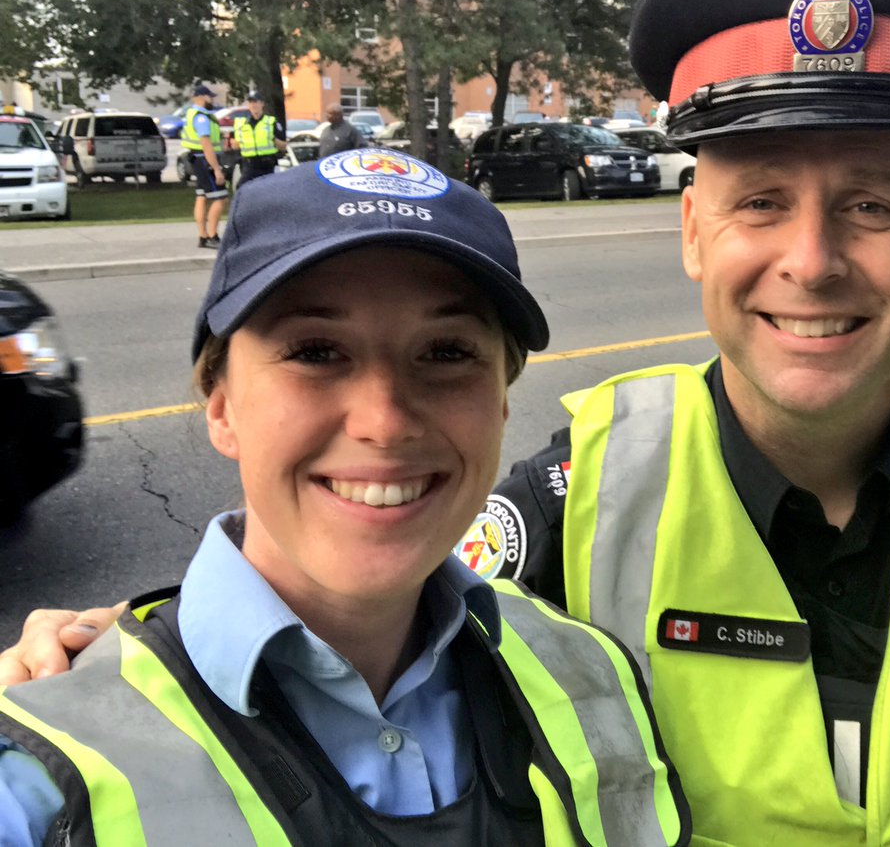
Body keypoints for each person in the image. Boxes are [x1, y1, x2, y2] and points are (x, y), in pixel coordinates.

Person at [5, 0, 890, 844]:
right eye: (761, 201)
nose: (814, 259)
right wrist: (133, 644)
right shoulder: (581, 496)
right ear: (693, 230)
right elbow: (361, 578)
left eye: (878, 203)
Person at [0, 149, 689, 846]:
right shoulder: (38, 779)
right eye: (317, 351)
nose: (385, 421)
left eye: (447, 352)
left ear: (502, 404)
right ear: (222, 406)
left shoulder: (590, 670)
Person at [181, 83, 227, 249]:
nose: (211, 99)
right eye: (209, 96)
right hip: (204, 160)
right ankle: (212, 236)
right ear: (200, 97)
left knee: (201, 197)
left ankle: (202, 236)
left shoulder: (192, 114)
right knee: (220, 198)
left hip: (195, 159)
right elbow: (206, 143)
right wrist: (216, 169)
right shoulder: (201, 117)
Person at [230, 90, 287, 186]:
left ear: (262, 104)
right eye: (251, 102)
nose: (253, 105)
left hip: (267, 164)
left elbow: (284, 146)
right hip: (249, 164)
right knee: (241, 189)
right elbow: (234, 145)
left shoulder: (271, 122)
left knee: (267, 191)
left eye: (256, 102)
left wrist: (272, 139)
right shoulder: (241, 124)